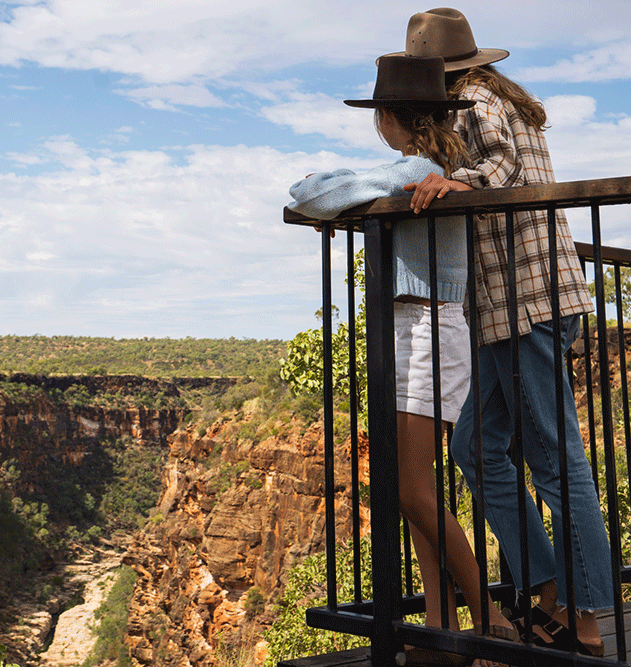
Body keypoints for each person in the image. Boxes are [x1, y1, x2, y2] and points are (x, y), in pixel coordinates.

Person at [395, 8, 613, 657]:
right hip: (507, 309)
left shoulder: (478, 100)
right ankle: (546, 584)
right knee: (474, 447)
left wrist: (450, 180)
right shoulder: (494, 95)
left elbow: (500, 161)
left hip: (528, 302)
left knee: (556, 461)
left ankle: (588, 616)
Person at [288, 54, 516, 667]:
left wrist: (343, 196)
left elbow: (310, 193)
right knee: (410, 486)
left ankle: (490, 623)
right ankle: (440, 632)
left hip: (425, 330)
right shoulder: (435, 169)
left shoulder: (415, 169)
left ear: (390, 117)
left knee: (410, 487)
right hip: (418, 329)